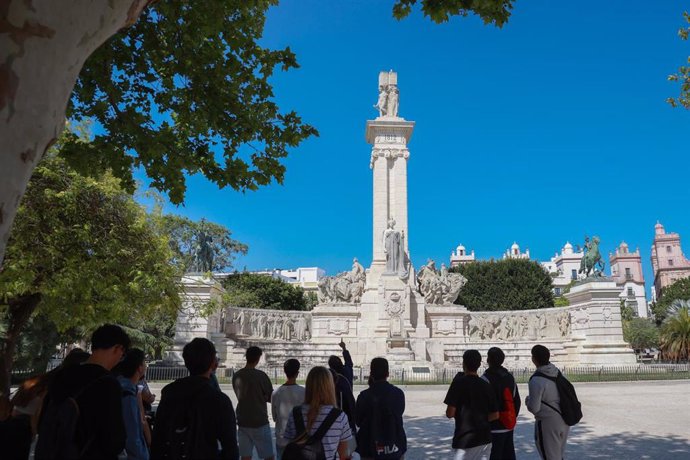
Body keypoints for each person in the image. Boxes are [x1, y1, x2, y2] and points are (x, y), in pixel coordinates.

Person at [35, 324, 130, 460]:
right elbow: (114, 440)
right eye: (123, 354)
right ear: (117, 348)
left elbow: (42, 419)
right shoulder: (108, 384)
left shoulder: (62, 375)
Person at [151, 338, 239, 460]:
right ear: (214, 364)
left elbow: (158, 438)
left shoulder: (169, 393)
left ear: (186, 362)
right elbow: (231, 448)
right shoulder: (220, 400)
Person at [283, 366, 353, 460]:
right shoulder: (340, 417)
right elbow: (343, 455)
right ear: (330, 387)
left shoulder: (295, 413)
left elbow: (289, 444)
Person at [444, 350, 498, 460]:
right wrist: (480, 420)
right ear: (479, 364)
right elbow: (496, 415)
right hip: (485, 439)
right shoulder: (486, 385)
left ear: (464, 364)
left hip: (464, 439)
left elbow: (450, 413)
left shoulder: (458, 383)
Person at [355, 357, 406, 460]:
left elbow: (358, 421)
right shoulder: (398, 394)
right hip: (394, 446)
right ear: (387, 374)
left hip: (369, 447)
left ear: (371, 374)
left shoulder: (363, 396)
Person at [526, 345, 569, 460]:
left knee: (549, 457)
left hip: (547, 423)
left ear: (534, 359)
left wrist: (527, 401)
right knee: (558, 456)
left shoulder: (536, 380)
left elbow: (534, 408)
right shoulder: (557, 373)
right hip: (564, 419)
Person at [232, 346, 274, 460]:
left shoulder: (237, 375)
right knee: (268, 456)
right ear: (258, 358)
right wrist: (263, 396)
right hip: (259, 419)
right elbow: (271, 397)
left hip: (243, 419)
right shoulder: (261, 375)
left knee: (245, 456)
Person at [482, 347, 521, 460]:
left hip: (492, 427)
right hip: (508, 425)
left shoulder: (485, 379)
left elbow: (482, 405)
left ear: (488, 360)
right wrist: (511, 416)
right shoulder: (509, 378)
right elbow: (516, 401)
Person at [114, 348, 150, 460]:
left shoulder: (118, 385)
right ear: (139, 368)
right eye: (144, 362)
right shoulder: (128, 395)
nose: (146, 366)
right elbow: (133, 436)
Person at [271, 359, 306, 460]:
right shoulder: (304, 392)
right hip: (299, 438)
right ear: (297, 373)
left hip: (281, 438)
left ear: (284, 371)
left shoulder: (276, 393)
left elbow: (274, 417)